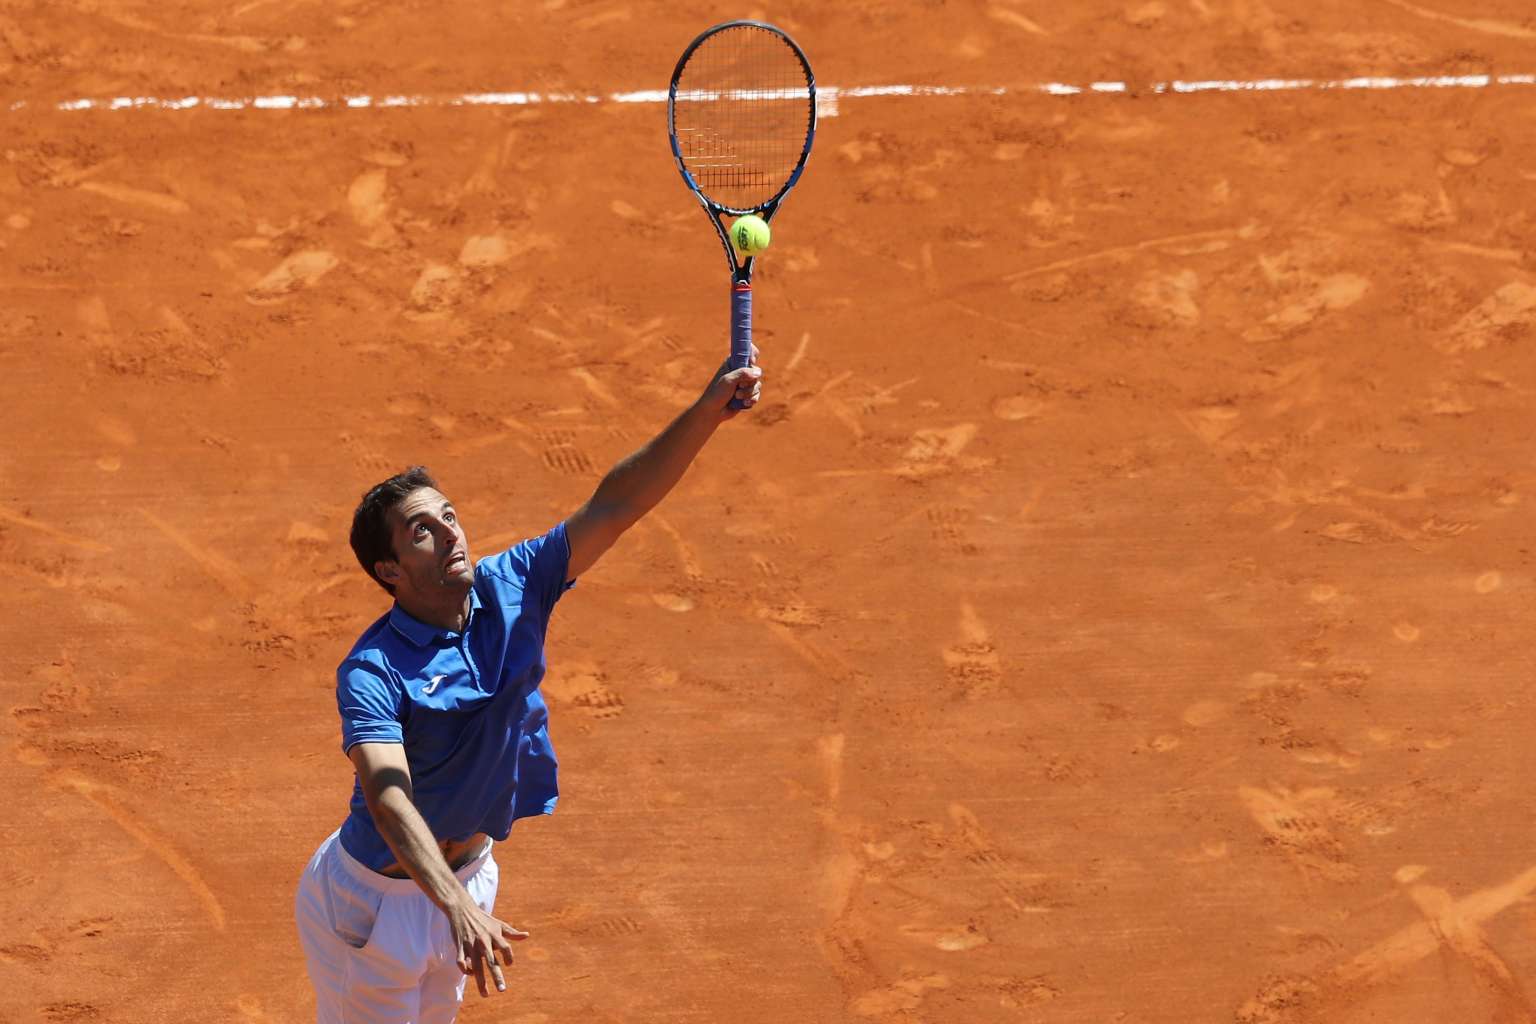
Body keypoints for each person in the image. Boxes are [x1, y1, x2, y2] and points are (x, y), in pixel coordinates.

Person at [294, 353, 763, 1022]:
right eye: (422, 531)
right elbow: (388, 798)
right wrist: (454, 907)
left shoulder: (514, 584)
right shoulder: (373, 669)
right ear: (389, 569)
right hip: (371, 908)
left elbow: (617, 504)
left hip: (468, 880)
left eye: (449, 515)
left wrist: (707, 414)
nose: (450, 532)